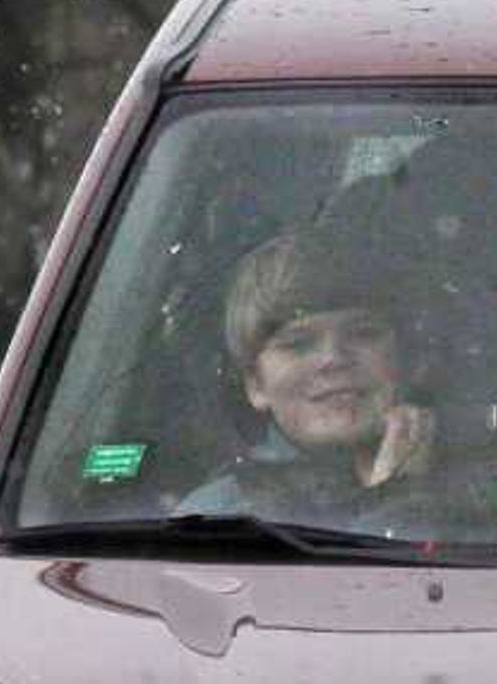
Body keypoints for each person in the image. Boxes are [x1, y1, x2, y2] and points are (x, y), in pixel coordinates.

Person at [177, 210, 437, 520]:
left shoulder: (485, 492)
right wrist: (391, 505)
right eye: (297, 345)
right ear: (256, 385)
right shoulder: (224, 515)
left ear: (408, 360)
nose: (334, 358)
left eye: (362, 335)